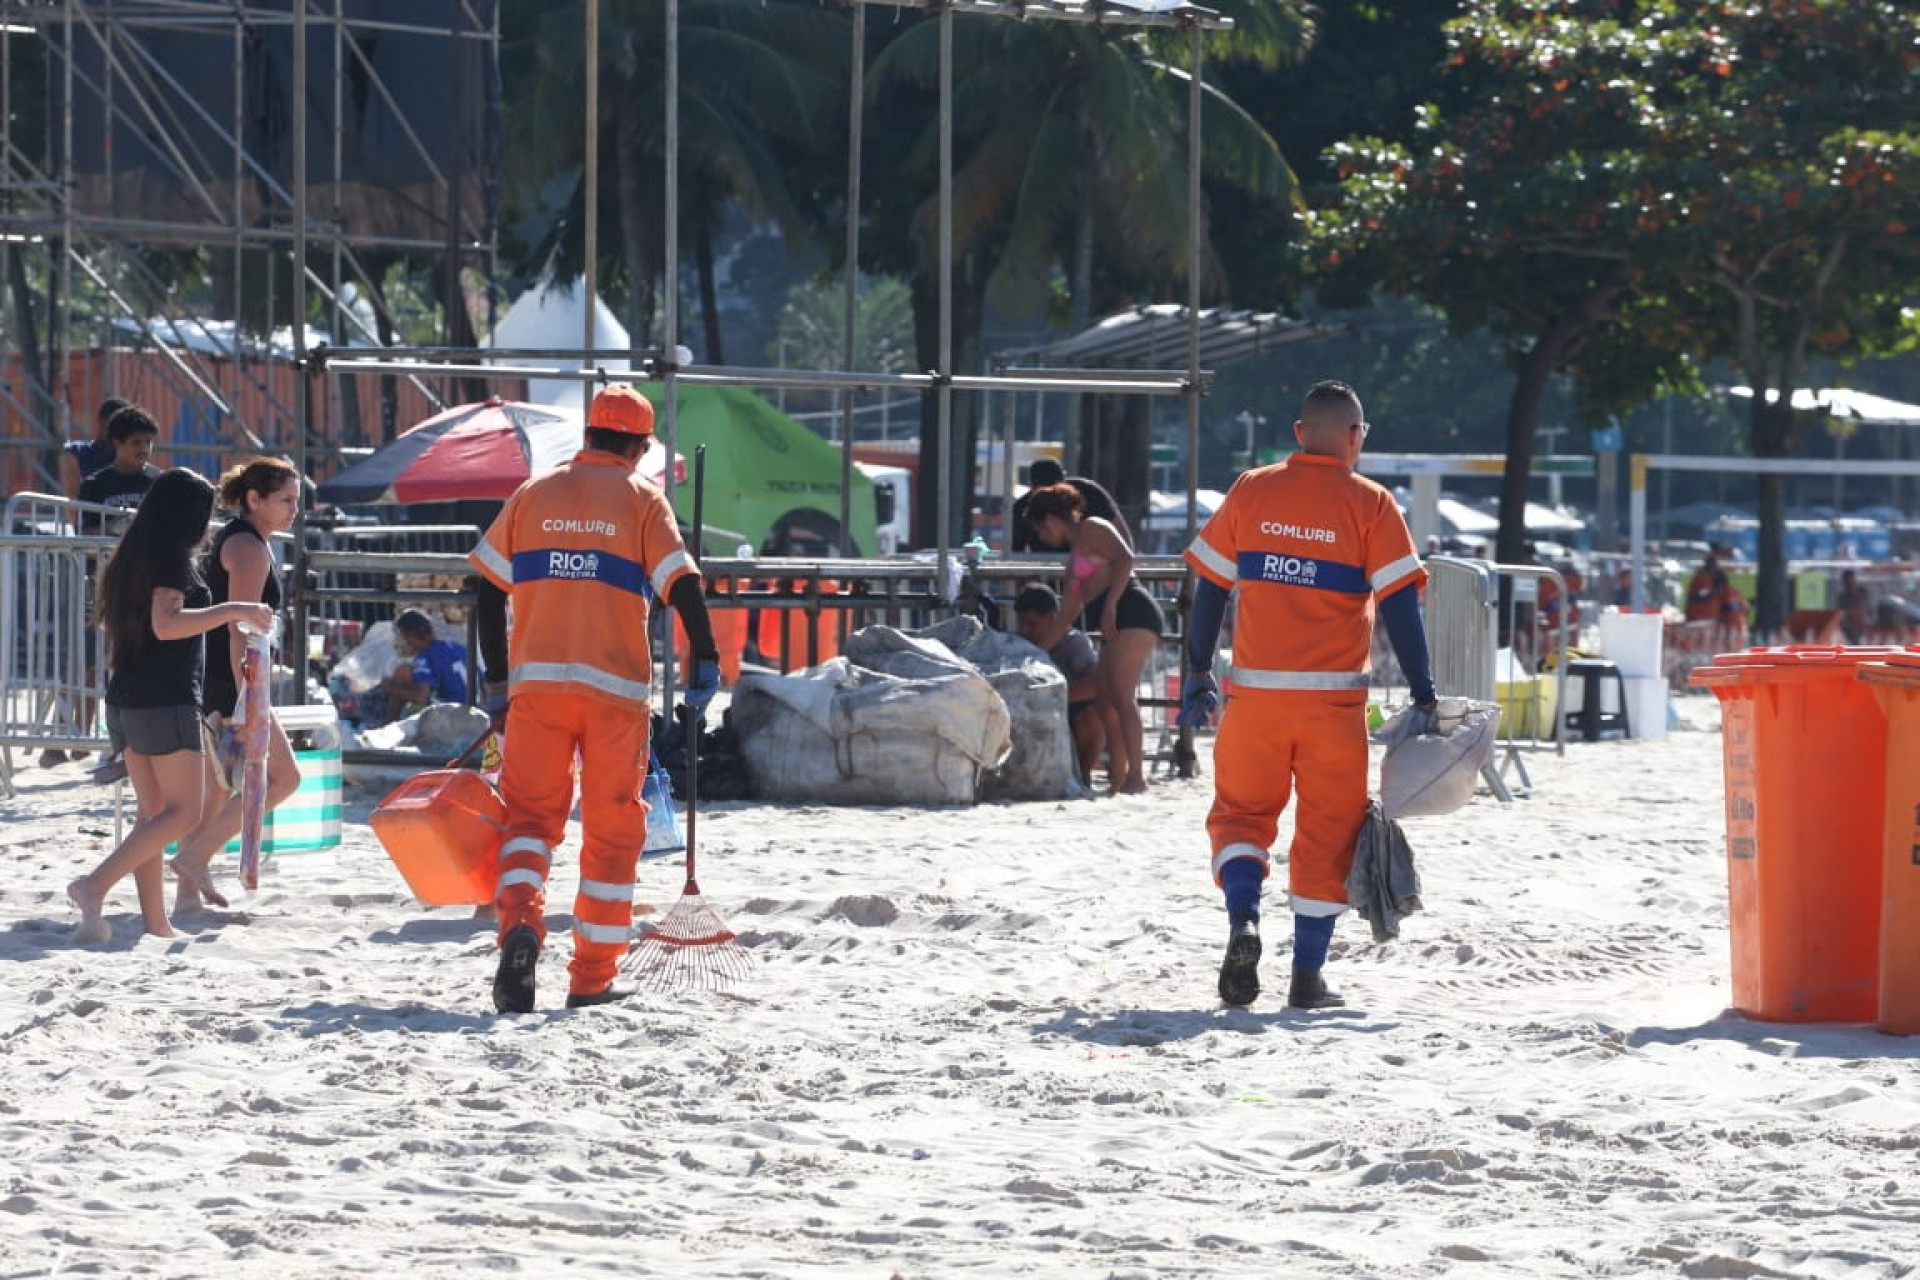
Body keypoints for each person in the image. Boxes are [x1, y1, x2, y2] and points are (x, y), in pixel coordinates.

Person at [1179, 380, 1436, 1011]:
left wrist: (1196, 672)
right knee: (1327, 836)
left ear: (1299, 434)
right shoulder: (1371, 504)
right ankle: (1307, 977)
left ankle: (1244, 919)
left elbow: (1209, 586)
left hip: (1254, 701)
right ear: (1355, 438)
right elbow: (1401, 606)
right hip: (1333, 709)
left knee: (1240, 817)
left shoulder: (1251, 489)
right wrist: (1425, 689)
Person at [470, 382, 721, 1013]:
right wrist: (706, 658)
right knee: (611, 836)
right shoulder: (642, 498)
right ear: (638, 448)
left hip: (535, 692)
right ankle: (590, 979)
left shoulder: (534, 493)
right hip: (614, 695)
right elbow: (681, 583)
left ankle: (521, 927)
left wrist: (498, 680)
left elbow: (486, 590)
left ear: (587, 437)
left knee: (527, 824)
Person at [65, 468, 274, 941]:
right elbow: (168, 624)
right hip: (166, 698)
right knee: (182, 813)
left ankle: (157, 923)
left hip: (127, 696)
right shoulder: (171, 559)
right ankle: (93, 886)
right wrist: (236, 610)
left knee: (152, 815)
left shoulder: (130, 555)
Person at [167, 456, 305, 913]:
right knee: (284, 778)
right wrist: (248, 699)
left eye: (297, 500)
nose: (294, 510)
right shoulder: (247, 546)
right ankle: (193, 858)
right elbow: (239, 628)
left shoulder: (240, 538)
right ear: (254, 499)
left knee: (216, 791)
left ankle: (188, 893)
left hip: (218, 677)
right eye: (285, 500)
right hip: (235, 680)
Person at [1025, 483, 1161, 795]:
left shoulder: (1092, 527)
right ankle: (1118, 779)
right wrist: (1034, 652)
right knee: (1105, 700)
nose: (1041, 538)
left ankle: (1137, 777)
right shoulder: (1074, 558)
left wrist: (1111, 605)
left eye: (1040, 529)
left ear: (1051, 518)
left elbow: (1126, 558)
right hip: (1115, 620)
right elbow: (1066, 615)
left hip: (1132, 611)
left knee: (1122, 697)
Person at [1011, 582, 1104, 785]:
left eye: (1033, 624)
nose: (1026, 630)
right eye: (1022, 623)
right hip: (1024, 710)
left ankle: (1082, 775)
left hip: (1066, 708)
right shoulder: (1017, 642)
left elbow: (1094, 684)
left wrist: (1054, 699)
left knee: (1092, 719)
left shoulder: (1074, 642)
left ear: (1052, 619)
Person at [1009, 457, 1133, 553]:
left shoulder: (1090, 496)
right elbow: (1015, 553)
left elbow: (1123, 542)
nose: (1042, 536)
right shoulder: (1021, 510)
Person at [378, 608, 470, 719]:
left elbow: (420, 697)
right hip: (474, 709)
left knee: (402, 672)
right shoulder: (458, 648)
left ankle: (389, 726)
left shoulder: (426, 656)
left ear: (410, 636)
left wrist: (390, 687)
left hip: (451, 715)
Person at [76, 405, 164, 515]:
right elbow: (82, 530)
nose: (144, 449)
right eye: (136, 442)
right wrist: (113, 527)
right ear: (117, 443)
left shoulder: (162, 482)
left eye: (148, 442)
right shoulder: (94, 486)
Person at [60, 396, 131, 502]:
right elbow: (73, 502)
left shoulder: (126, 455)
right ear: (103, 422)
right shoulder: (77, 452)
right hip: (87, 515)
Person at [1839, 568, 1872, 645]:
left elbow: (1866, 607)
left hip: (1862, 624)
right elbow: (1841, 613)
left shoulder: (1862, 592)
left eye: (1851, 580)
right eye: (1847, 581)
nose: (1849, 583)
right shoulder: (1842, 597)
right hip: (1849, 626)